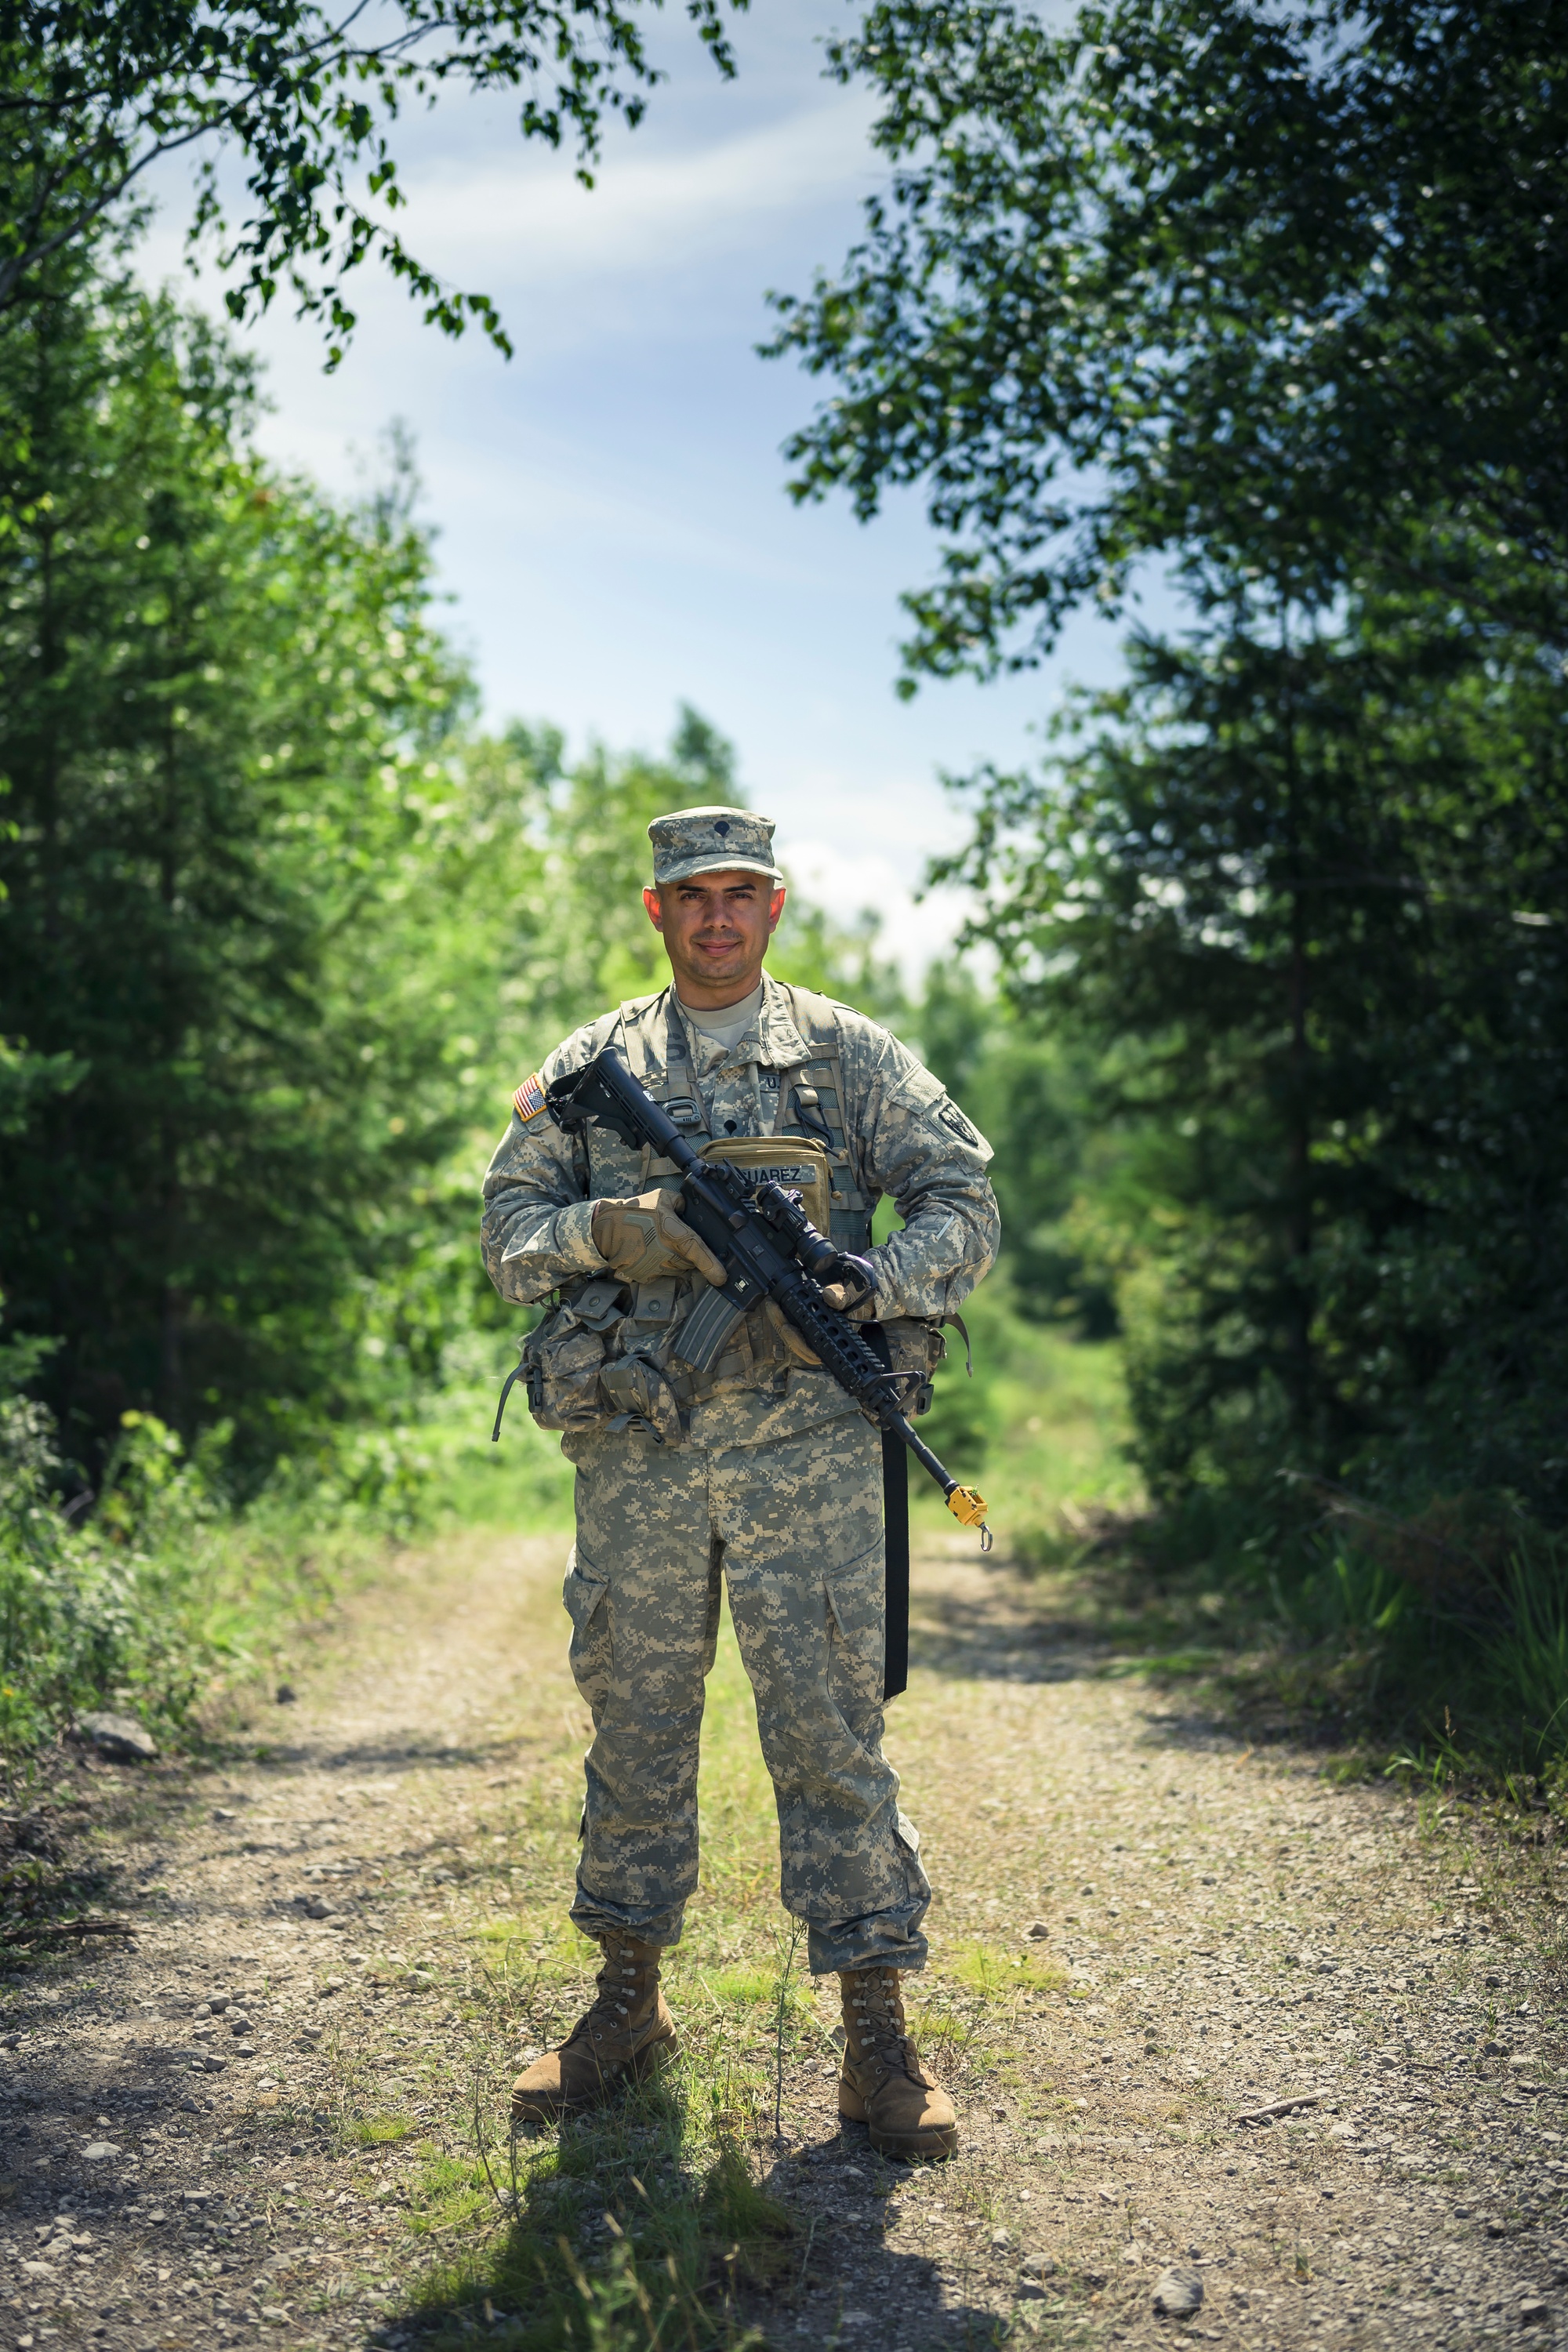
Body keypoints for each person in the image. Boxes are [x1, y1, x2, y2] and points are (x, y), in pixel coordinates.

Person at [481, 804, 999, 2159]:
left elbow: (963, 1196)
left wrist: (870, 1281)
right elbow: (508, 1231)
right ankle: (625, 2008)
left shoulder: (843, 1054)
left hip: (814, 1456)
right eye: (692, 896)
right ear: (657, 911)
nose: (718, 915)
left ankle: (877, 2040)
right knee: (637, 1726)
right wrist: (622, 1231)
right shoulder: (593, 1064)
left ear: (776, 908)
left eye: (741, 894)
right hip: (640, 1453)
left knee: (831, 1736)